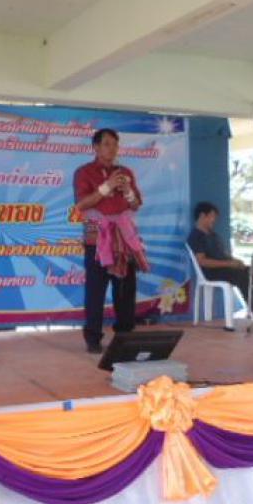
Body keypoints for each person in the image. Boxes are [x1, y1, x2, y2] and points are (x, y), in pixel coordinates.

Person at [74, 128, 148, 354]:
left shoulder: (125, 172)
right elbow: (81, 205)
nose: (112, 148)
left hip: (124, 237)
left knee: (125, 288)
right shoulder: (84, 172)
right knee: (96, 290)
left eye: (115, 144)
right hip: (97, 235)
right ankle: (93, 338)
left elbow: (136, 205)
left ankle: (125, 335)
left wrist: (128, 191)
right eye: (107, 144)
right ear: (95, 147)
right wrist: (106, 187)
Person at [187, 201, 253, 318]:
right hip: (212, 272)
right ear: (203, 216)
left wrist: (236, 262)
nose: (214, 220)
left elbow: (223, 255)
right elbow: (202, 261)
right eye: (212, 216)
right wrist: (229, 263)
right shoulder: (196, 236)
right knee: (242, 276)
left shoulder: (213, 235)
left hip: (227, 269)